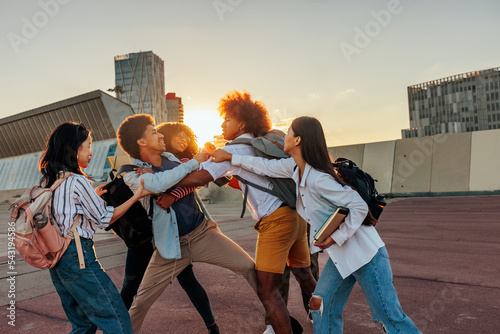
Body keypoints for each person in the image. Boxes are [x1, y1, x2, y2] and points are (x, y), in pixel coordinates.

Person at [209, 116, 421, 333]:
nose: (284, 136)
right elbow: (263, 166)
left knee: (390, 318)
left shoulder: (319, 178)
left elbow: (359, 206)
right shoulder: (295, 168)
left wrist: (336, 237)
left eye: (289, 132)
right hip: (341, 259)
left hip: (366, 256)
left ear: (298, 140)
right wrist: (231, 156)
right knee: (320, 307)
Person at [170, 91, 316, 334]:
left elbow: (198, 177)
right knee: (304, 275)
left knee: (267, 290)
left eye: (227, 119)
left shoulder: (235, 148)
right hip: (296, 217)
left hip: (275, 222)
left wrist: (161, 180)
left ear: (242, 123)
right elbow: (239, 178)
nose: (222, 123)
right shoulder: (259, 143)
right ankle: (327, 323)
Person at [116, 114, 258, 333]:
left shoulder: (170, 157)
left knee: (250, 267)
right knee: (140, 303)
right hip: (170, 248)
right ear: (141, 142)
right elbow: (156, 184)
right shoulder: (131, 174)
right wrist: (193, 162)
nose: (160, 133)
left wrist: (185, 177)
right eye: (154, 132)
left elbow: (196, 177)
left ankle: (277, 318)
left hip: (203, 234)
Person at [40, 122, 151, 334]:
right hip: (78, 257)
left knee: (83, 326)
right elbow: (104, 218)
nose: (91, 152)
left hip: (58, 260)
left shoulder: (50, 180)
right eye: (88, 146)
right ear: (74, 149)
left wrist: (94, 197)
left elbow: (66, 211)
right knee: (118, 321)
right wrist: (136, 196)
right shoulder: (78, 182)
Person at [118, 121, 220, 333]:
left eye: (186, 136)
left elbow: (193, 180)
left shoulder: (175, 161)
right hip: (145, 236)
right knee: (130, 286)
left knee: (188, 281)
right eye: (177, 136)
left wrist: (174, 194)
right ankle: (117, 328)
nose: (183, 140)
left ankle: (212, 326)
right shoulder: (140, 167)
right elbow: (159, 182)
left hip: (170, 236)